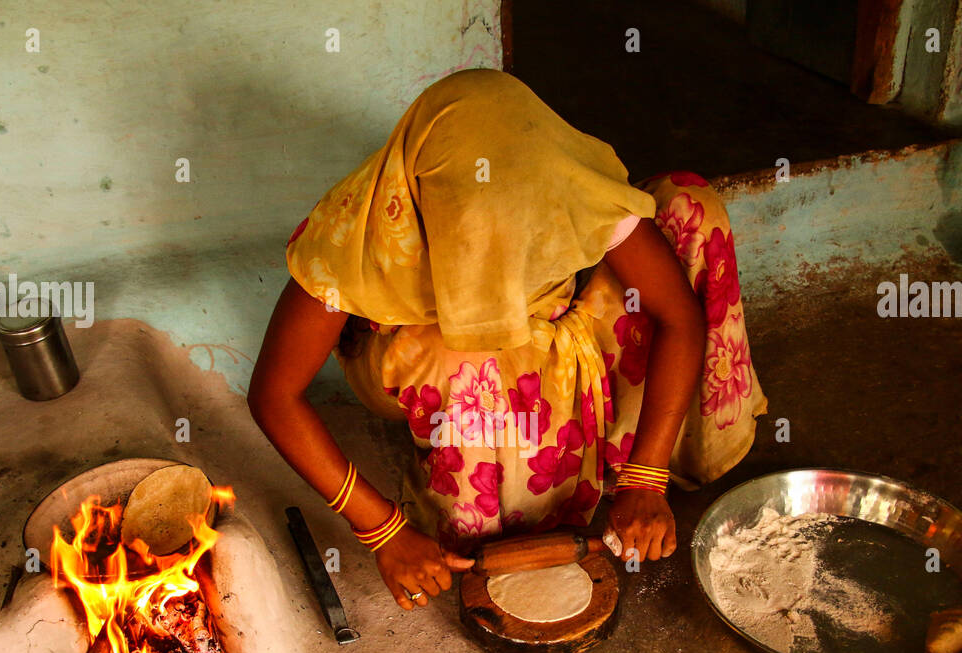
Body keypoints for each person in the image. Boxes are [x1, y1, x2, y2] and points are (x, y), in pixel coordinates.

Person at [248, 69, 766, 610]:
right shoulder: (356, 232)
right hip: (429, 345)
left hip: (548, 320)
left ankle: (623, 461)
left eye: (519, 223)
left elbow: (678, 317)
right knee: (462, 361)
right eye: (475, 229)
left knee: (688, 206)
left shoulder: (562, 182)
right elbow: (274, 397)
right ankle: (495, 484)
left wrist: (646, 476)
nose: (499, 250)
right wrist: (382, 528)